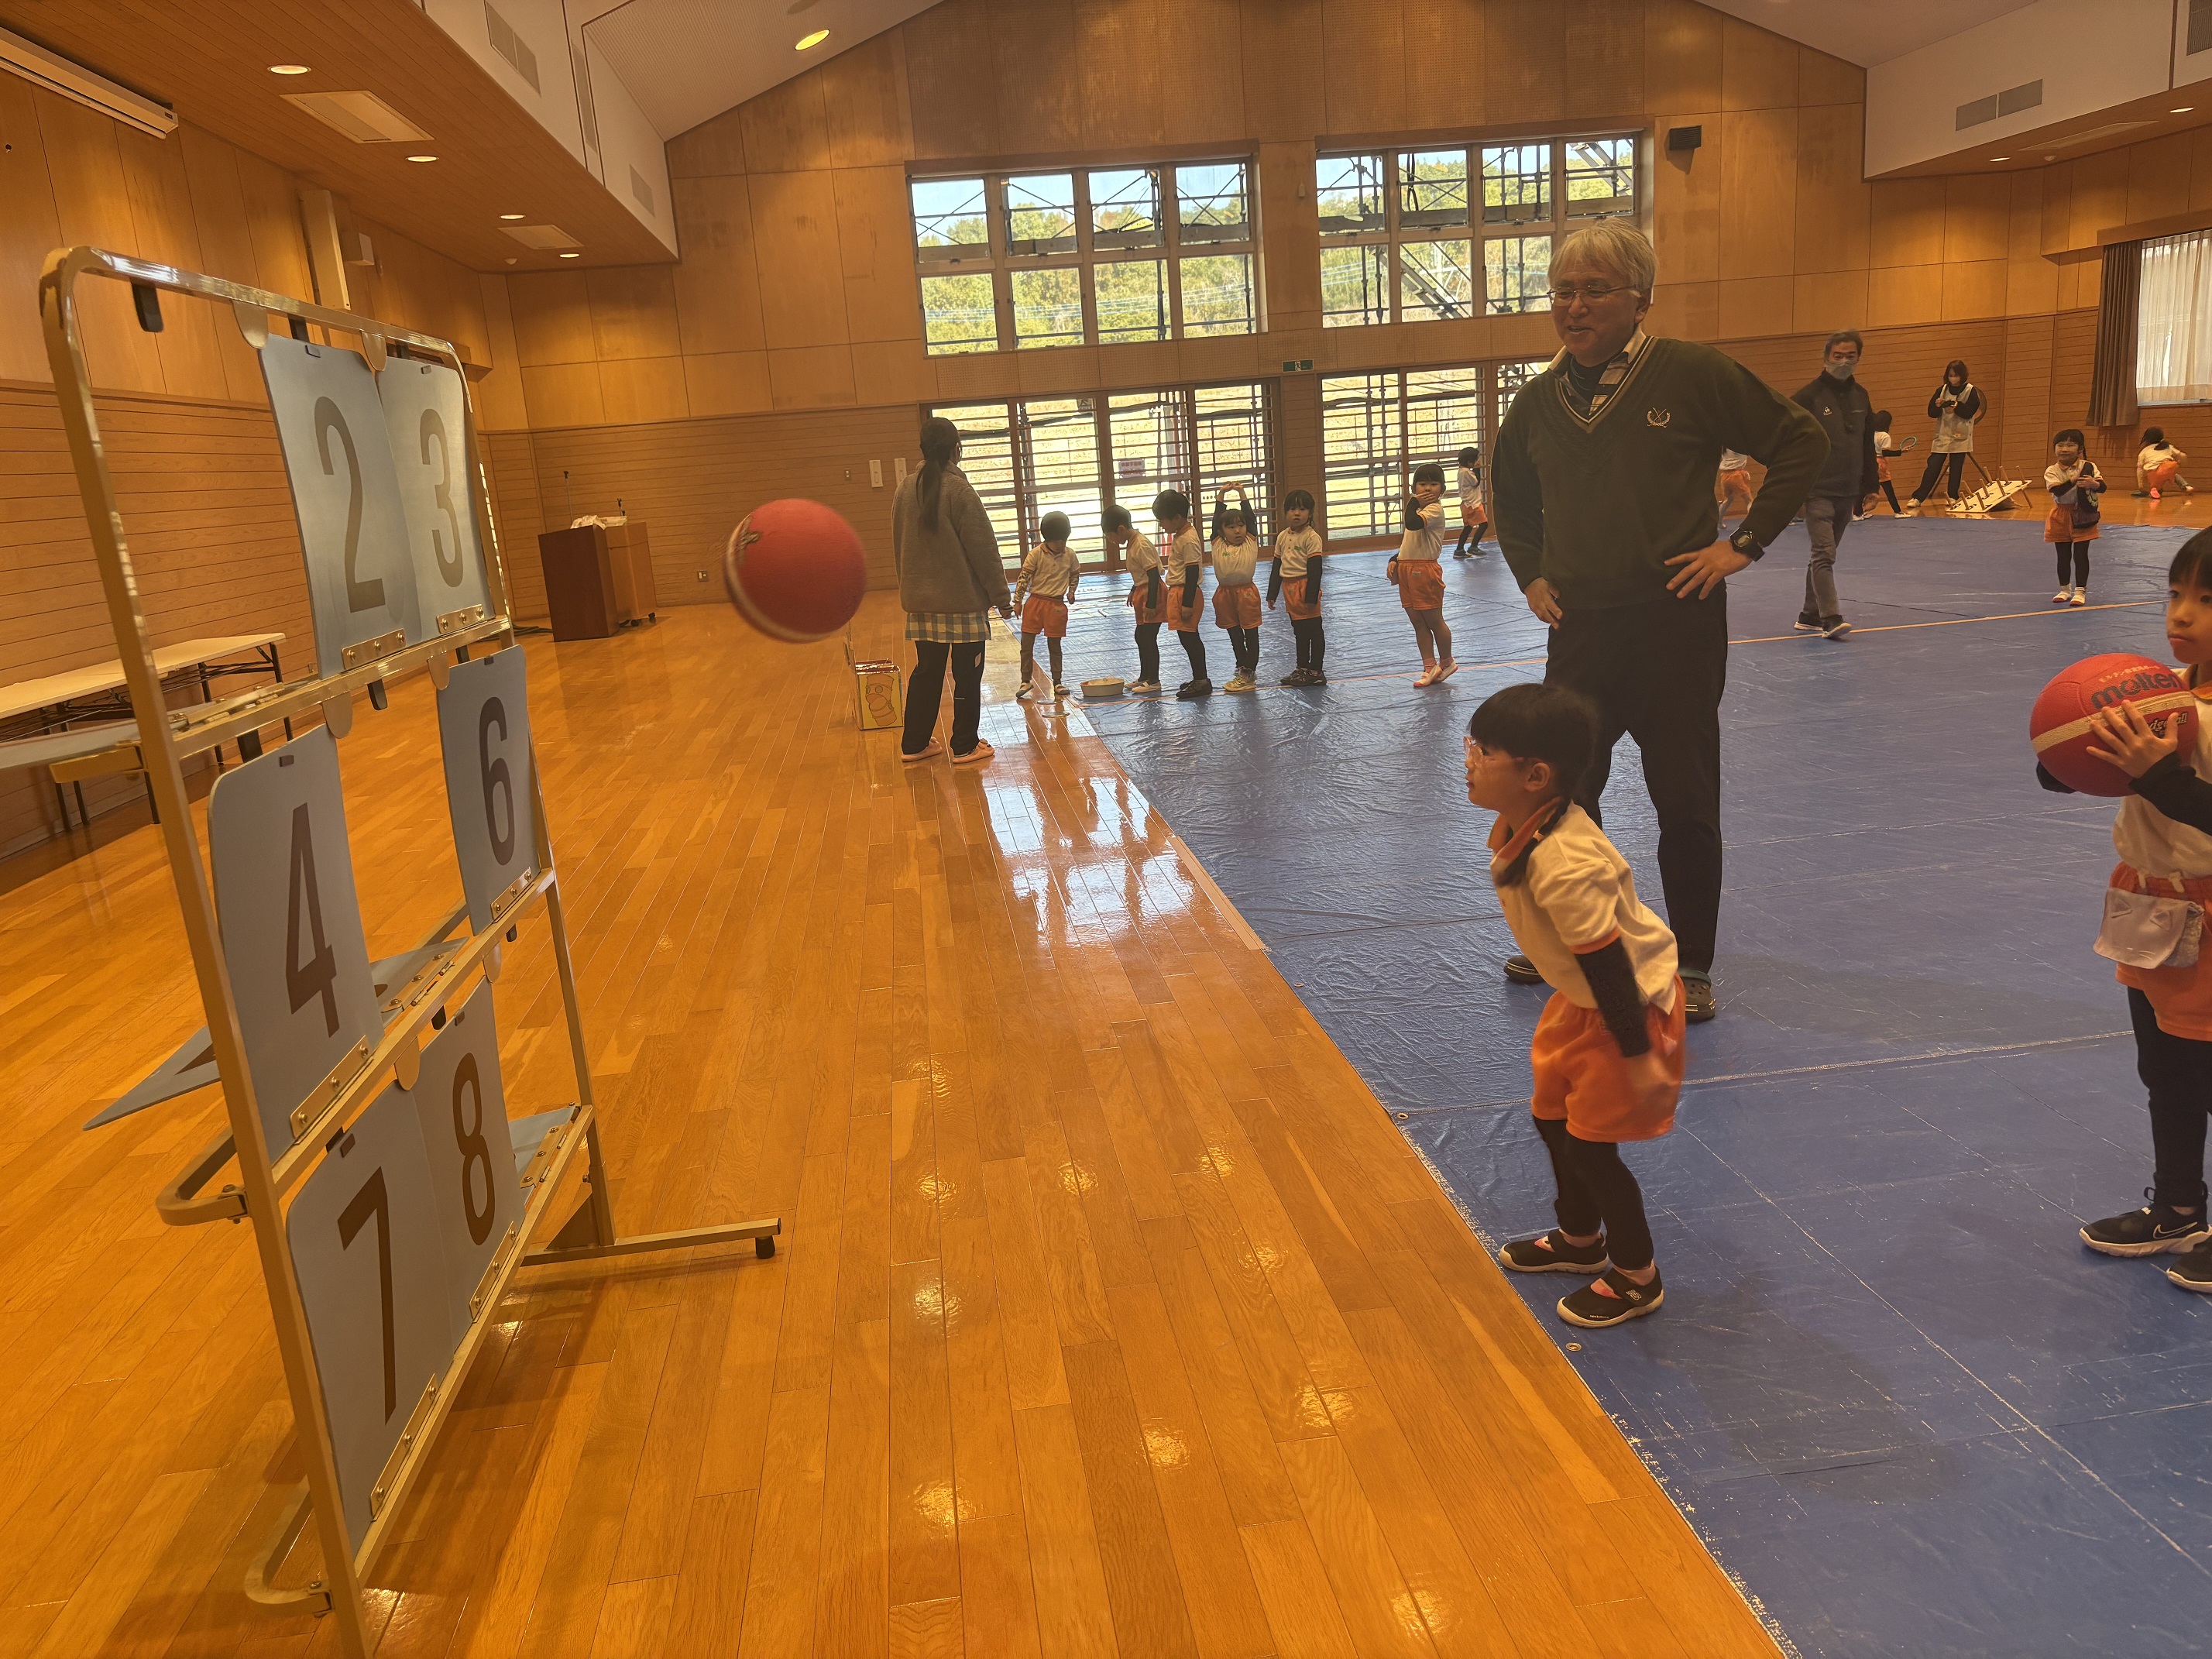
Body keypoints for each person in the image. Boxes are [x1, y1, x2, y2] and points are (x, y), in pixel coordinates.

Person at [1492, 222, 1826, 1023]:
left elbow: (1801, 440)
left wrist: (1743, 544)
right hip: (1580, 630)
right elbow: (1513, 499)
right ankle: (1578, 939)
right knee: (1562, 796)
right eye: (1563, 291)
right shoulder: (1535, 403)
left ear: (1641, 299)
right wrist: (1531, 574)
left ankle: (1693, 962)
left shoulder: (1692, 373)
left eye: (1594, 290)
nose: (1574, 306)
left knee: (1684, 798)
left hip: (1676, 623)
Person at [1468, 682, 1686, 1328]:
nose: (1469, 760)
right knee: (1552, 1118)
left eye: (1484, 751)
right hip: (1583, 999)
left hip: (1626, 1006)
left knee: (1592, 1147)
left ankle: (1637, 1276)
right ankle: (1580, 1239)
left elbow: (1608, 963)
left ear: (1535, 776)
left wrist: (1638, 1055)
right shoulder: (1530, 821)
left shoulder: (1565, 863)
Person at [2040, 529, 2212, 1293]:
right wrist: (2069, 755)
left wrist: (2158, 777)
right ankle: (2179, 1208)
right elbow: (2086, 772)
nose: (2182, 613)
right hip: (2147, 905)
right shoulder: (2156, 691)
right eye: (2176, 593)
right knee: (2165, 1072)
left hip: (2210, 911)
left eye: (2207, 600)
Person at [893, 417, 1012, 765]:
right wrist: (1002, 598)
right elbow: (984, 551)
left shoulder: (904, 489)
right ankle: (964, 745)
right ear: (956, 448)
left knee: (926, 673)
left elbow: (900, 546)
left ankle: (914, 744)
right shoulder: (959, 491)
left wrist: (910, 588)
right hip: (962, 605)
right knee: (967, 677)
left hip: (921, 605)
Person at [1791, 330, 1879, 641]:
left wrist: (1871, 486)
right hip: (1817, 491)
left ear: (1859, 358)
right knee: (1824, 553)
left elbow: (1867, 444)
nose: (1843, 362)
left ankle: (1809, 615)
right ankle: (1830, 617)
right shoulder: (1806, 398)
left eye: (1850, 356)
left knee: (1823, 555)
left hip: (1848, 491)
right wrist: (1794, 493)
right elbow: (1789, 447)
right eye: (1837, 356)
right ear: (1826, 357)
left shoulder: (1862, 396)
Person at [1394, 461, 1457, 686]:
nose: (1428, 489)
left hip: (1424, 569)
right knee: (1418, 622)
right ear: (1414, 487)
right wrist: (1396, 558)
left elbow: (1412, 524)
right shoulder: (1419, 509)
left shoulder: (1433, 510)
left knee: (1433, 620)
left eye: (1433, 484)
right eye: (1422, 484)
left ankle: (1447, 661)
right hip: (1407, 568)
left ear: (1443, 490)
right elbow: (1410, 540)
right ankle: (1429, 666)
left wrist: (1413, 501)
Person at [1013, 511, 1079, 700]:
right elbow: (1024, 578)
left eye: (1063, 541)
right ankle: (1025, 680)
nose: (1060, 545)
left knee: (1055, 645)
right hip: (1035, 602)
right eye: (1057, 542)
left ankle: (1057, 681)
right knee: (1027, 645)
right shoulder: (1036, 554)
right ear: (1047, 539)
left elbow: (1074, 574)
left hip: (1056, 605)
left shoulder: (1070, 554)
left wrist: (1072, 591)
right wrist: (1017, 602)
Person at [1268, 489, 1328, 685]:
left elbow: (1315, 569)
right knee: (1299, 631)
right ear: (1285, 512)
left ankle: (1316, 671)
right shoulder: (1282, 537)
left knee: (1314, 630)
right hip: (1290, 588)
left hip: (1305, 586)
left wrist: (1311, 596)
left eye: (1302, 509)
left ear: (1310, 513)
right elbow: (1277, 566)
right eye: (1292, 509)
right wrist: (1272, 594)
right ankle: (1302, 667)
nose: (1297, 513)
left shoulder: (1311, 537)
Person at [1905, 361, 1984, 508]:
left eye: (1956, 375)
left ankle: (1953, 496)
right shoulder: (1942, 390)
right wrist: (1938, 405)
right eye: (1950, 375)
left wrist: (1957, 406)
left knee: (1956, 468)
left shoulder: (1970, 391)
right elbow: (1932, 413)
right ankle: (1918, 497)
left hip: (1961, 436)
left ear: (1962, 375)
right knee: (1933, 466)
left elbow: (1969, 413)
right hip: (1943, 434)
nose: (1953, 378)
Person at [1157, 489, 1211, 699]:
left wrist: (1187, 603)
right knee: (1186, 637)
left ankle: (1202, 680)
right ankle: (1199, 677)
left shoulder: (1188, 539)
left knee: (1190, 638)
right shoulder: (1181, 534)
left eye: (1163, 520)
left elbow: (1192, 572)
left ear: (1177, 517)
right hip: (1178, 591)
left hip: (1186, 593)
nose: (1161, 525)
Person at [1105, 503, 1164, 694]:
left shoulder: (1140, 544)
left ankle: (1154, 680)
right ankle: (1145, 676)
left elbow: (1153, 574)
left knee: (1148, 637)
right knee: (1141, 636)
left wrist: (1152, 604)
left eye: (1111, 536)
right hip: (1143, 590)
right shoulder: (1132, 543)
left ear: (1121, 529)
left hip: (1152, 593)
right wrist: (1134, 589)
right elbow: (1141, 572)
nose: (1111, 541)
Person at [2045, 428, 2105, 607]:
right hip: (2061, 515)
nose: (2064, 449)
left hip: (2083, 514)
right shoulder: (2052, 470)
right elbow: (2058, 491)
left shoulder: (2089, 466)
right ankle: (2064, 590)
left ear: (2080, 449)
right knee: (2063, 555)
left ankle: (2080, 591)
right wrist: (2074, 480)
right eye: (2060, 445)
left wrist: (2093, 484)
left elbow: (2102, 487)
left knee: (2081, 555)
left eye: (2070, 445)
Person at [1211, 490, 1263, 692]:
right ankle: (1242, 668)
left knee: (1251, 634)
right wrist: (1221, 496)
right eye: (1231, 527)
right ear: (1221, 531)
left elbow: (1251, 518)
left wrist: (1242, 494)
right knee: (1235, 635)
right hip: (1225, 594)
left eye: (1241, 525)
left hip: (1246, 593)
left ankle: (1248, 673)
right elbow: (1216, 520)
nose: (1237, 530)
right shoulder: (1218, 543)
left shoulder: (1250, 541)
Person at [2137, 428, 2195, 500]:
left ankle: (2154, 489)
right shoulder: (2167, 446)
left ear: (2146, 439)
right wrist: (2182, 461)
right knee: (2174, 475)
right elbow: (2181, 455)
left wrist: (2140, 485)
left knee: (2154, 482)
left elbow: (2140, 469)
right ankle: (2186, 487)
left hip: (2153, 473)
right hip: (2168, 467)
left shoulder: (2144, 451)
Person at [1452, 446, 1488, 558]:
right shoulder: (1467, 473)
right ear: (1469, 462)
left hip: (1467, 504)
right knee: (1484, 525)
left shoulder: (1461, 471)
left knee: (1468, 527)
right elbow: (1476, 482)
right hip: (1473, 505)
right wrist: (1477, 468)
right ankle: (1473, 547)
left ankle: (1459, 549)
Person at [1867, 413, 1905, 517]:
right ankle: (1898, 511)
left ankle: (1859, 512)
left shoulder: (1871, 434)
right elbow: (1885, 452)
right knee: (1889, 489)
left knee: (1866, 489)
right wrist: (1900, 452)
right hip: (1881, 464)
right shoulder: (1885, 436)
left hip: (1871, 463)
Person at [1715, 449, 1753, 517]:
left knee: (1728, 500)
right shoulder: (1740, 447)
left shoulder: (1724, 448)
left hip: (1724, 475)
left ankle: (1719, 521)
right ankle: (1752, 520)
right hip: (1736, 475)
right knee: (1749, 500)